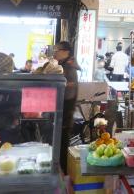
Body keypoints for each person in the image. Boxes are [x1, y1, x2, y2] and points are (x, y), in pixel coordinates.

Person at [54, 41, 80, 173]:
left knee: (63, 141)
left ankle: (63, 172)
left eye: (57, 50)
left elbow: (70, 91)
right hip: (63, 110)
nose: (55, 52)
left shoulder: (69, 66)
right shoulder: (63, 64)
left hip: (65, 110)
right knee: (61, 141)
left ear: (66, 52)